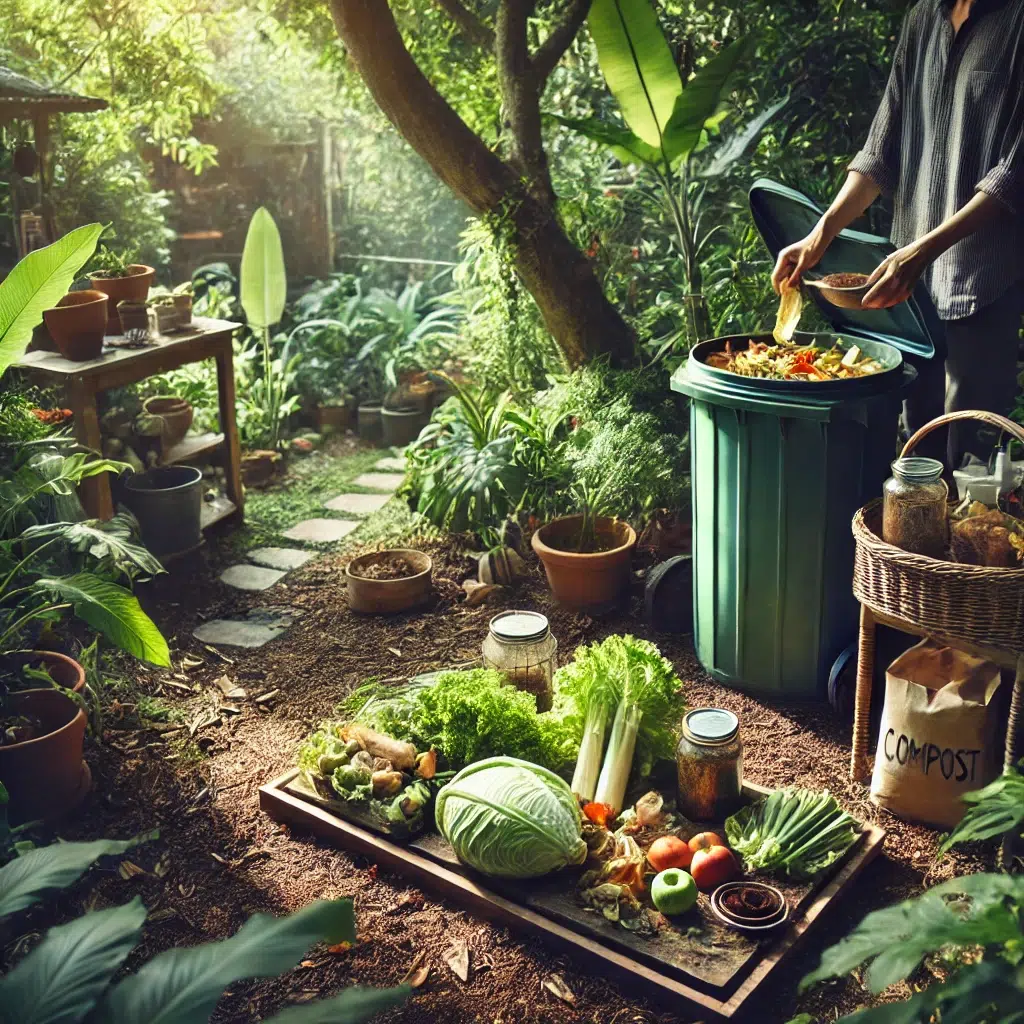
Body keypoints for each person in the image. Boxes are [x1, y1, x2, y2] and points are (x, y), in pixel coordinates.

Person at [772, 0, 1024, 467]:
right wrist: (818, 235)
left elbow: (1013, 174)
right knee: (915, 456)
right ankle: (897, 545)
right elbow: (879, 151)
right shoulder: (922, 18)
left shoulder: (1017, 22)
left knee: (969, 457)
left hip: (983, 279)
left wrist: (922, 252)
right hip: (907, 289)